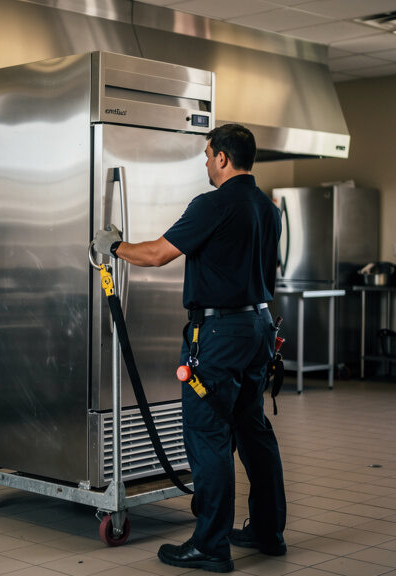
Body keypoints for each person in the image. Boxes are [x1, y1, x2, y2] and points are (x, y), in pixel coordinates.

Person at [93, 124, 287, 573]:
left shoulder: (213, 204)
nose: (205, 163)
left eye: (207, 155)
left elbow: (159, 254)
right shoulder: (268, 208)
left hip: (218, 336)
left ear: (222, 158)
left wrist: (114, 246)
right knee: (253, 431)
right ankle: (267, 531)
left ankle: (210, 544)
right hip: (258, 328)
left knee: (209, 435)